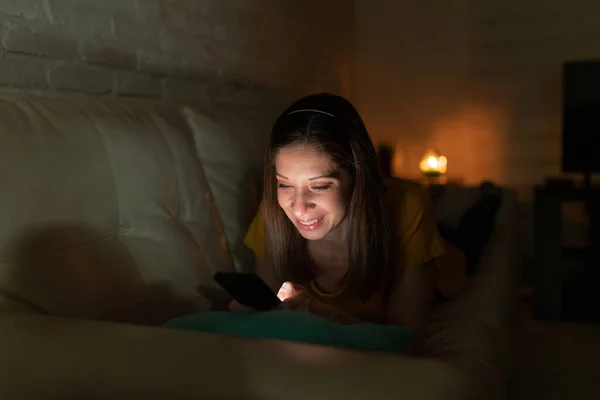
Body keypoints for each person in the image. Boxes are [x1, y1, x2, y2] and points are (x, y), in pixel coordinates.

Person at [236, 93, 468, 353]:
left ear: (357, 178)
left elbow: (405, 344)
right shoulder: (275, 212)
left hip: (447, 265)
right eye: (285, 184)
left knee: (472, 235)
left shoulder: (407, 207)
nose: (298, 207)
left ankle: (488, 204)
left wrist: (321, 314)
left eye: (320, 186)